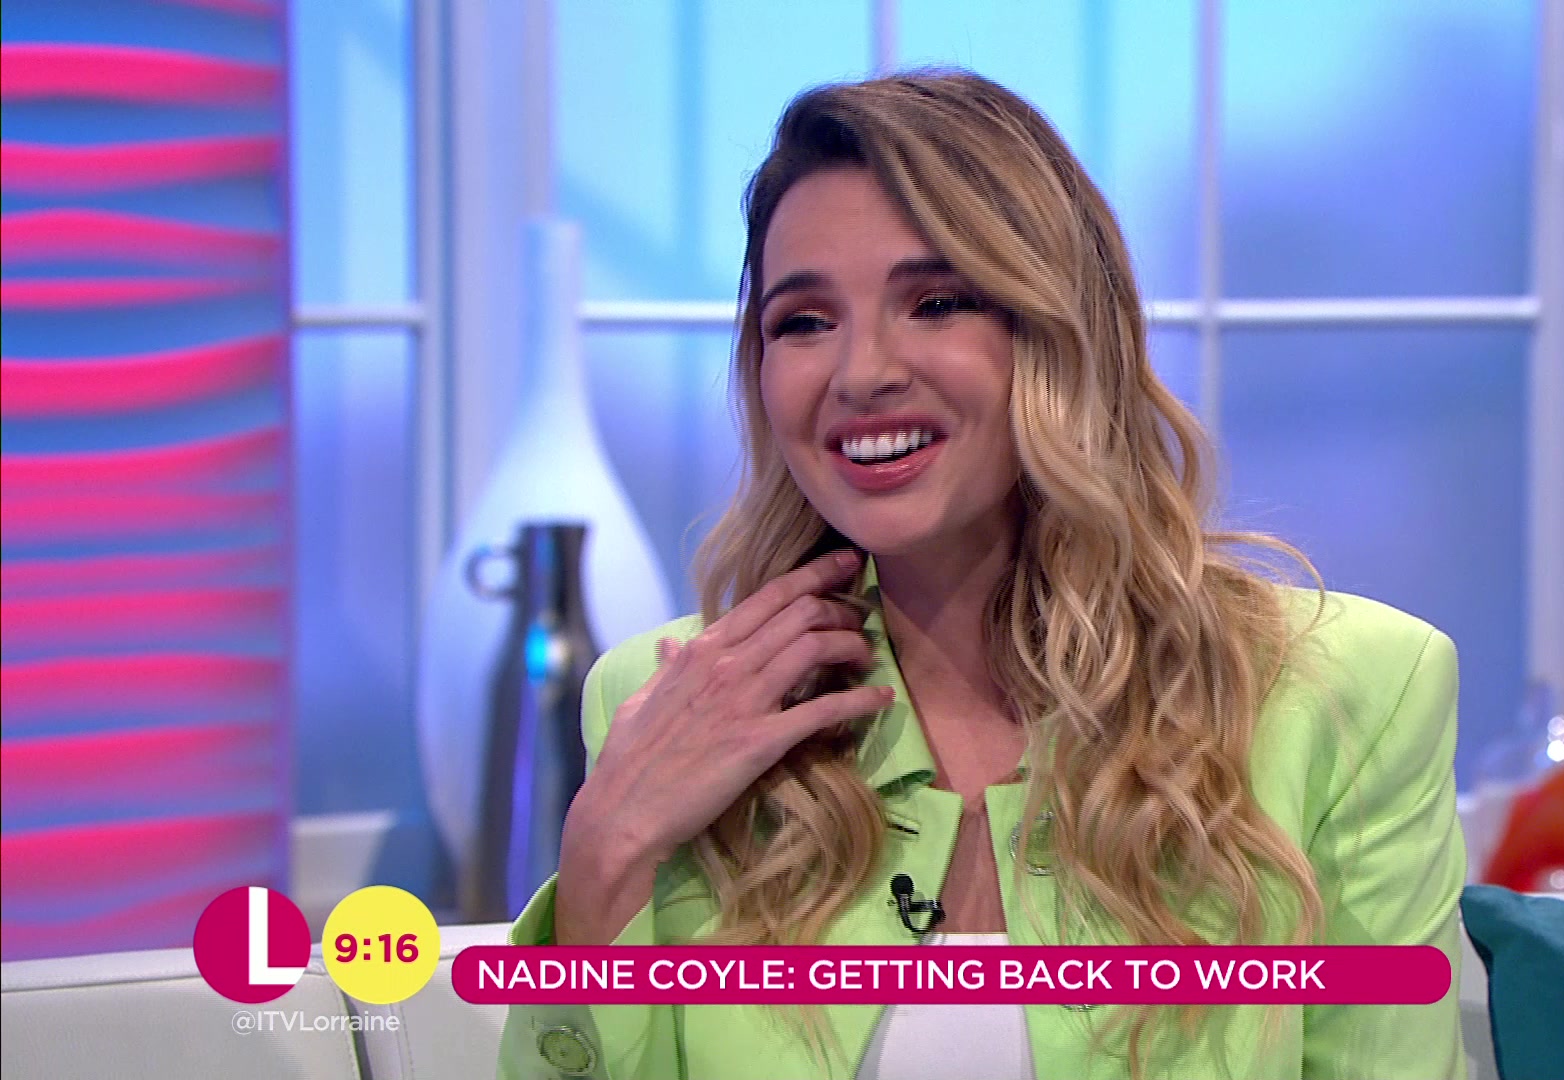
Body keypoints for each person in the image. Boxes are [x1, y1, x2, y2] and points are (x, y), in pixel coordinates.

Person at [497, 69, 1467, 1080]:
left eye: (937, 302)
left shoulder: (1347, 695)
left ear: (1061, 333)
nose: (861, 373)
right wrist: (605, 852)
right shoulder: (663, 703)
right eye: (804, 321)